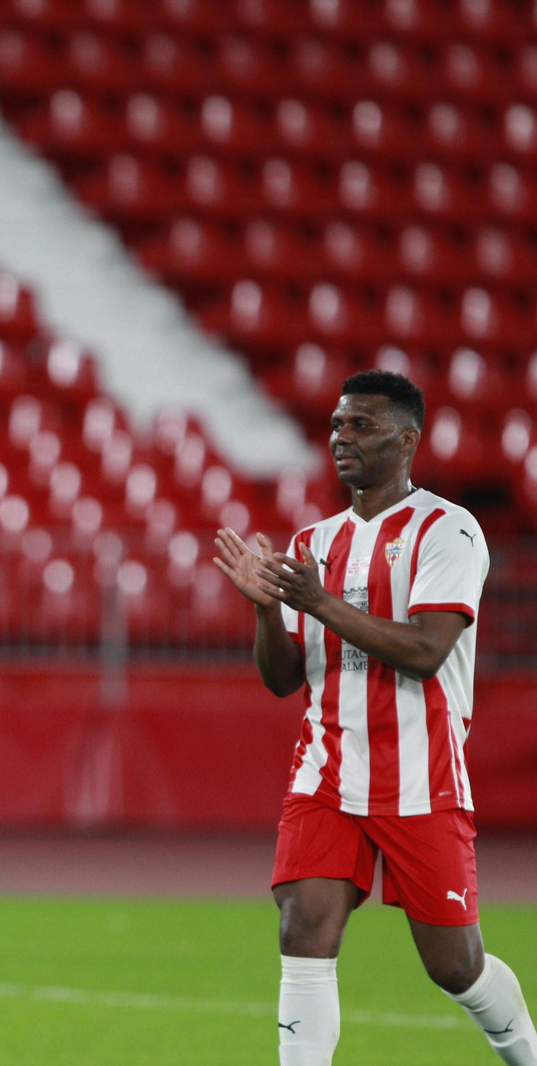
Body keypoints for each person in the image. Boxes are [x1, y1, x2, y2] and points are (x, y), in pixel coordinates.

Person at [214, 370, 535, 1066]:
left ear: (407, 439)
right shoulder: (312, 543)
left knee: (455, 965)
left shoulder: (447, 529)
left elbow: (425, 651)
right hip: (326, 770)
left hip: (420, 776)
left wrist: (320, 603)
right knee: (303, 930)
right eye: (336, 425)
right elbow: (282, 680)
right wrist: (268, 608)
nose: (342, 438)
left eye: (362, 425)